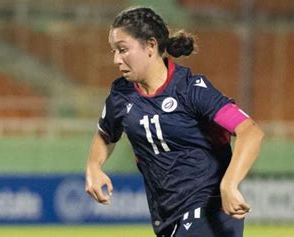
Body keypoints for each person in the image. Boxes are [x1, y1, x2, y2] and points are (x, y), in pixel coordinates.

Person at [85, 6, 264, 237]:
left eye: (123, 50)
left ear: (150, 46)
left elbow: (250, 131)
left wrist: (229, 184)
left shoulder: (191, 90)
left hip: (210, 209)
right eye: (114, 51)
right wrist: (94, 166)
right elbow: (105, 134)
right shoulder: (121, 95)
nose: (116, 59)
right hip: (167, 217)